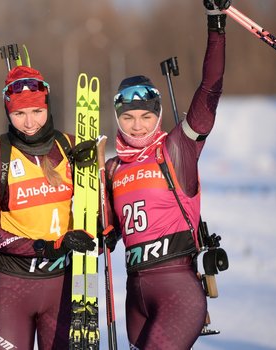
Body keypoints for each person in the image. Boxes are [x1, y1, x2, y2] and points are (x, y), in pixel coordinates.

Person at [105, 1, 230, 348]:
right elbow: (106, 225)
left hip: (178, 291)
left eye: (146, 116)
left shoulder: (176, 148)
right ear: (118, 119)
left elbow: (210, 89)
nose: (137, 125)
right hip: (136, 295)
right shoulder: (113, 168)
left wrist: (215, 26)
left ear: (157, 115)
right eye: (128, 117)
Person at [0, 65, 96, 350]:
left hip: (63, 284)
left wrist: (94, 175)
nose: (29, 123)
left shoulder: (70, 147)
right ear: (8, 113)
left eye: (37, 112)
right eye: (19, 114)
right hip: (13, 286)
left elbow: (96, 216)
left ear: (48, 107)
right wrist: (46, 246)